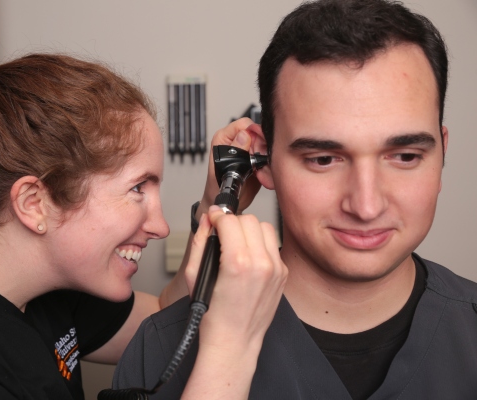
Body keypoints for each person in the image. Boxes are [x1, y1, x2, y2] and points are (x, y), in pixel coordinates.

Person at [0, 34, 287, 399]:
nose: (161, 227)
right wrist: (232, 345)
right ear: (35, 202)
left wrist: (215, 200)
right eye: (137, 188)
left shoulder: (48, 297)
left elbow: (165, 313)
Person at [113, 0, 477, 399]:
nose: (367, 205)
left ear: (442, 153)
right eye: (323, 159)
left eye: (405, 156)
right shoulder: (160, 350)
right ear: (263, 159)